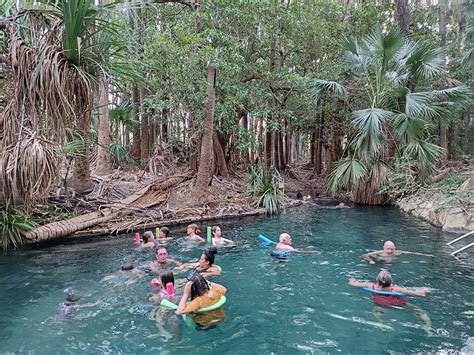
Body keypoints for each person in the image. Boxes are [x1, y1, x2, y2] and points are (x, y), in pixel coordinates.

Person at [348, 270, 432, 334]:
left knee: (376, 311)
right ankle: (427, 326)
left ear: (377, 280)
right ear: (391, 282)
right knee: (420, 311)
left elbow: (352, 283)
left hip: (381, 304)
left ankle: (382, 322)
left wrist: (352, 279)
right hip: (399, 304)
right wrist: (423, 290)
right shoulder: (395, 289)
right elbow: (419, 294)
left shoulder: (370, 285)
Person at [363, 240, 433, 264]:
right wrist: (370, 261)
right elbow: (365, 255)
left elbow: (410, 253)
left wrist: (425, 255)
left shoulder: (397, 252)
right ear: (384, 248)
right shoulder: (380, 252)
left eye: (392, 249)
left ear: (395, 248)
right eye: (388, 249)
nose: (390, 251)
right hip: (380, 260)